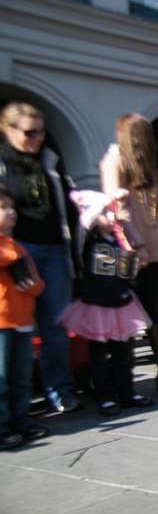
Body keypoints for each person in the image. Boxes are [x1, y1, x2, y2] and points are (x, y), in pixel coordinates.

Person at [0, 102, 81, 413]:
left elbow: (66, 207)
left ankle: (59, 390)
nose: (37, 138)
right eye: (29, 132)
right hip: (17, 251)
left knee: (56, 324)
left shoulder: (49, 159)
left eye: (40, 132)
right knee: (13, 327)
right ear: (7, 130)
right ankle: (13, 404)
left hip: (55, 248)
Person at [100, 114, 158, 392]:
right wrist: (137, 247)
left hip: (155, 250)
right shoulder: (115, 162)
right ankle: (125, 380)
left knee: (154, 311)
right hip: (130, 252)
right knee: (127, 312)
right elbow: (118, 210)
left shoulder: (147, 166)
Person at [59, 190, 155, 416]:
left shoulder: (119, 243)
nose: (112, 217)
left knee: (122, 354)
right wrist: (96, 206)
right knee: (99, 356)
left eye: (112, 213)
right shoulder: (88, 243)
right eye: (105, 213)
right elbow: (82, 230)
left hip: (120, 305)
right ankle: (106, 398)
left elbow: (126, 275)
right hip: (96, 307)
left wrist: (133, 268)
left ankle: (127, 393)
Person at [0, 183, 50, 449]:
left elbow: (38, 284)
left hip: (22, 321)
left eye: (12, 207)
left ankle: (21, 421)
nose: (11, 212)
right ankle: (2, 426)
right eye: (3, 207)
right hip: (1, 322)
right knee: (1, 379)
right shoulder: (11, 249)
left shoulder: (17, 246)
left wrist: (32, 285)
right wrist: (12, 255)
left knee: (21, 378)